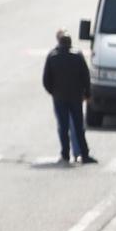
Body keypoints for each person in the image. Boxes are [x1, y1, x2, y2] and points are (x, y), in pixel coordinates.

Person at [42, 31, 97, 165]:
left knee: (63, 126)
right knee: (78, 127)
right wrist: (87, 94)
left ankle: (65, 154)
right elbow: (86, 76)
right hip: (75, 97)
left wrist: (53, 92)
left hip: (59, 97)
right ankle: (84, 154)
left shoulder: (53, 56)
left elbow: (46, 79)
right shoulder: (77, 56)